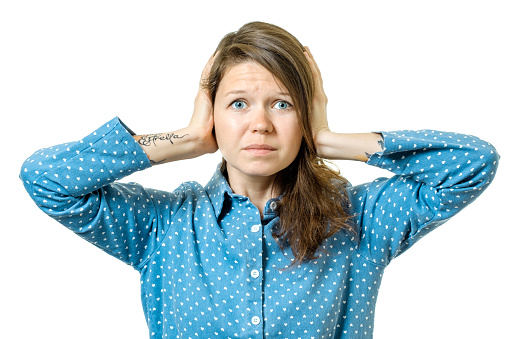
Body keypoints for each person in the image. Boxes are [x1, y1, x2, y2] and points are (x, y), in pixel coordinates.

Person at [20, 21, 499, 338]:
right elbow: (45, 179)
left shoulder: (358, 220)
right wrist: (184, 137)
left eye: (283, 103)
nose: (261, 124)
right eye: (238, 103)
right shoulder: (163, 228)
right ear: (213, 114)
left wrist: (328, 139)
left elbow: (473, 163)